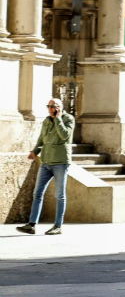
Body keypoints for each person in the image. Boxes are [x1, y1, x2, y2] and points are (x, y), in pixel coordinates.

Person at [16, 98, 75, 236]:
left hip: (60, 162)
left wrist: (59, 119)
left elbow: (65, 136)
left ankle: (58, 226)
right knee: (37, 193)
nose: (50, 108)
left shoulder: (68, 119)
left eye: (52, 106)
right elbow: (42, 139)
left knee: (59, 195)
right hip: (46, 162)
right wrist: (34, 151)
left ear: (60, 107)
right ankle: (31, 225)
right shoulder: (47, 120)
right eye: (48, 106)